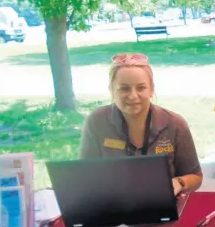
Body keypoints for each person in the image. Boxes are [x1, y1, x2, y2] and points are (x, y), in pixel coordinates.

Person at [79, 53, 203, 195]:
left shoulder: (175, 124)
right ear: (112, 90)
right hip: (112, 207)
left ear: (151, 90)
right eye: (124, 88)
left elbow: (196, 177)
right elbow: (85, 177)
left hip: (161, 208)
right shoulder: (97, 121)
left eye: (141, 88)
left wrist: (179, 182)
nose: (133, 96)